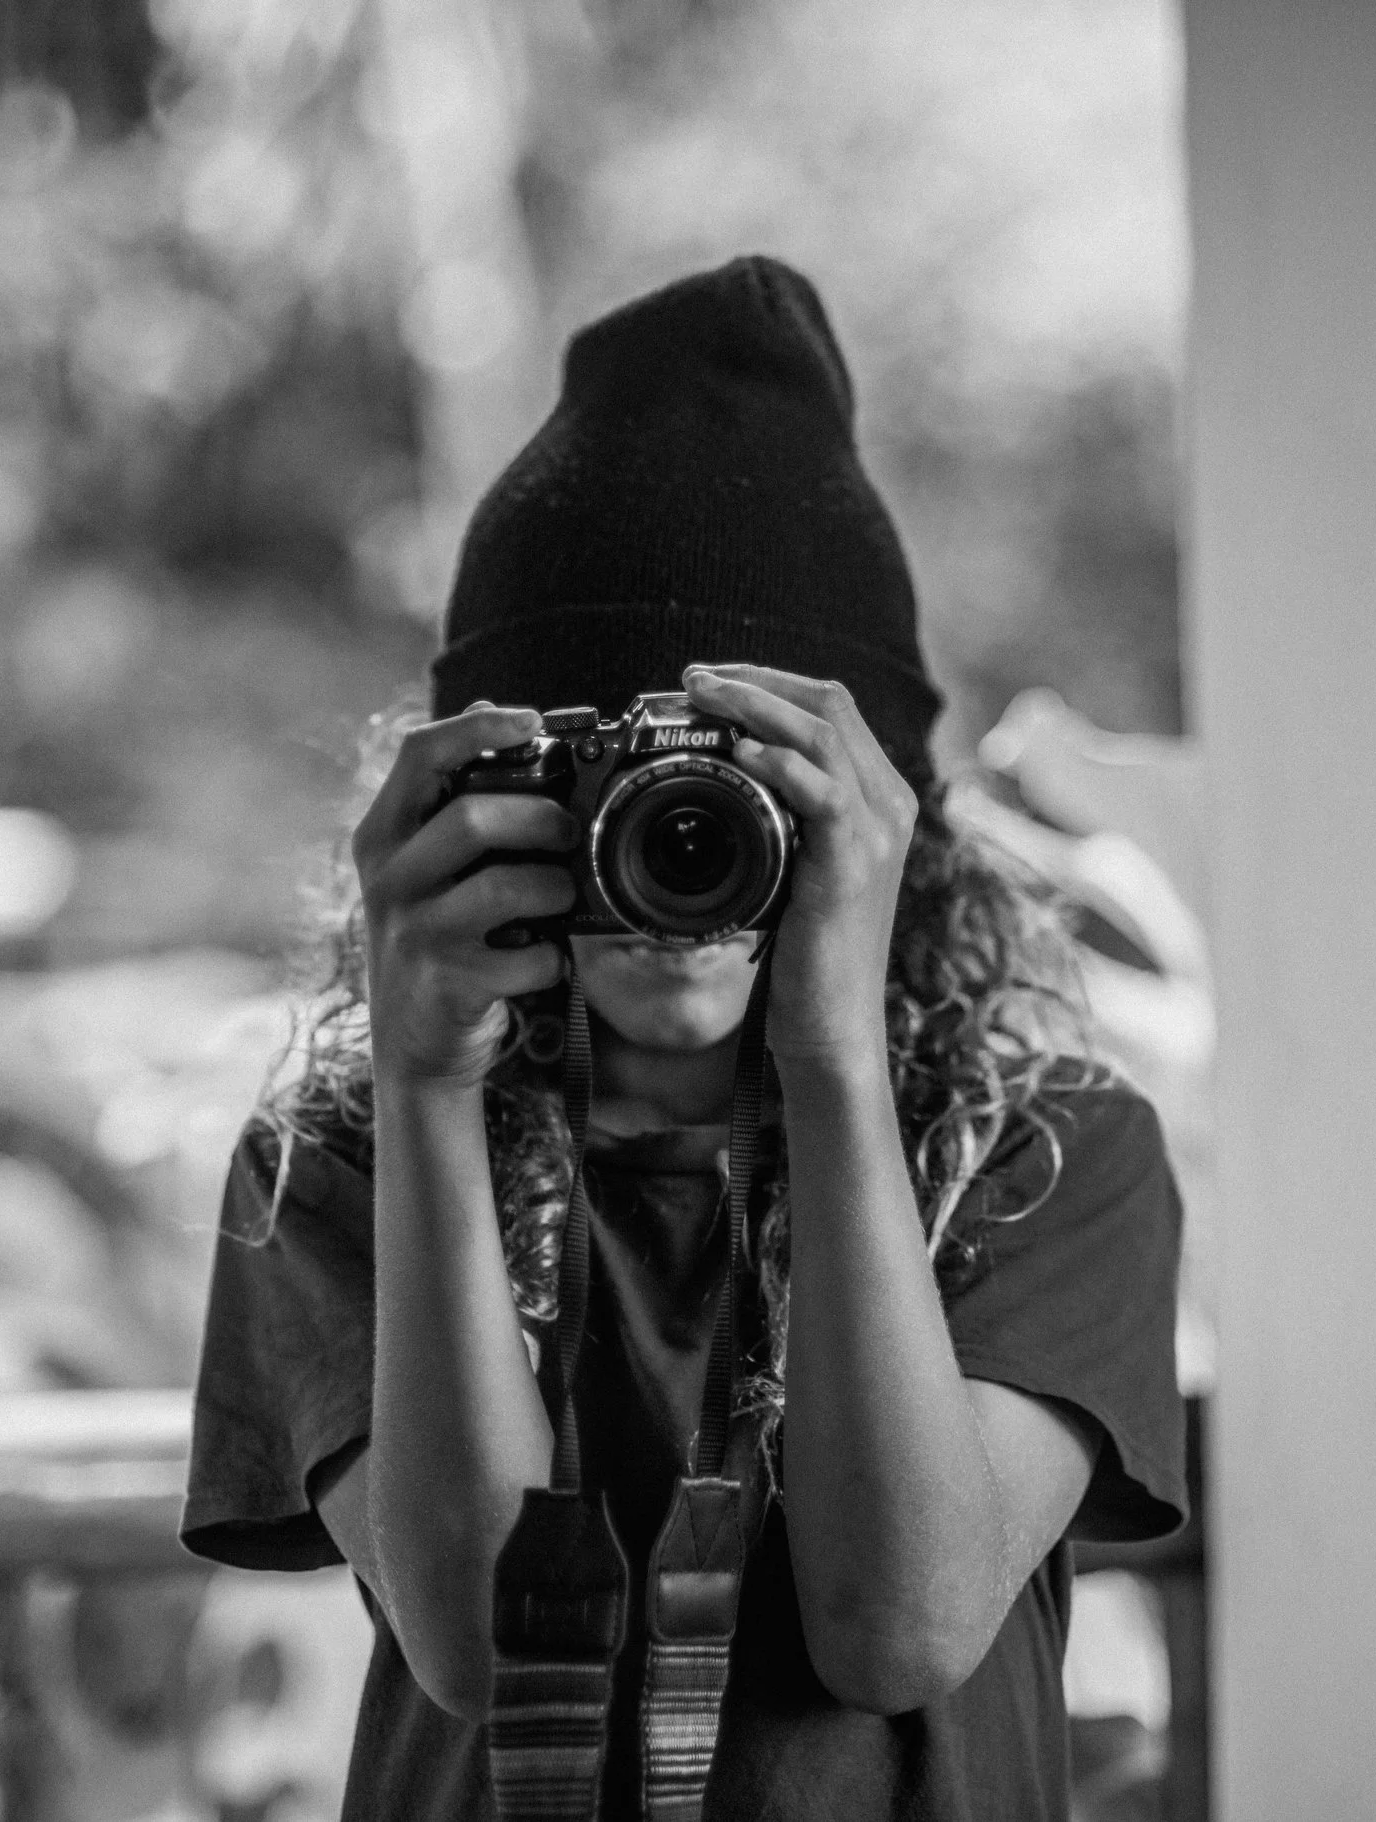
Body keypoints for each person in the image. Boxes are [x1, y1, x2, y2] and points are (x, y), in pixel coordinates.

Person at [181, 256, 1186, 1821]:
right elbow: (479, 1646)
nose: (676, 862)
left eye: (747, 793)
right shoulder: (344, 1161)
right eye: (606, 784)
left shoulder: (1044, 1154)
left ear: (880, 820)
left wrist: (834, 1057)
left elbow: (902, 1625)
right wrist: (428, 1083)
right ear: (480, 790)